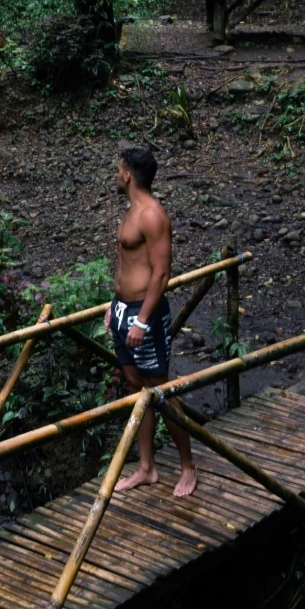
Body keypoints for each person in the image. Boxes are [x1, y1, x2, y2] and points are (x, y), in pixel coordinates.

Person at [109, 144, 197, 498]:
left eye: (118, 170)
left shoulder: (152, 215)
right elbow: (128, 264)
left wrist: (142, 321)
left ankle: (188, 465)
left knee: (159, 391)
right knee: (136, 387)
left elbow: (161, 273)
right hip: (122, 310)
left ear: (128, 174)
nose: (116, 176)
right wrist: (113, 306)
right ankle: (147, 468)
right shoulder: (131, 211)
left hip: (144, 315)